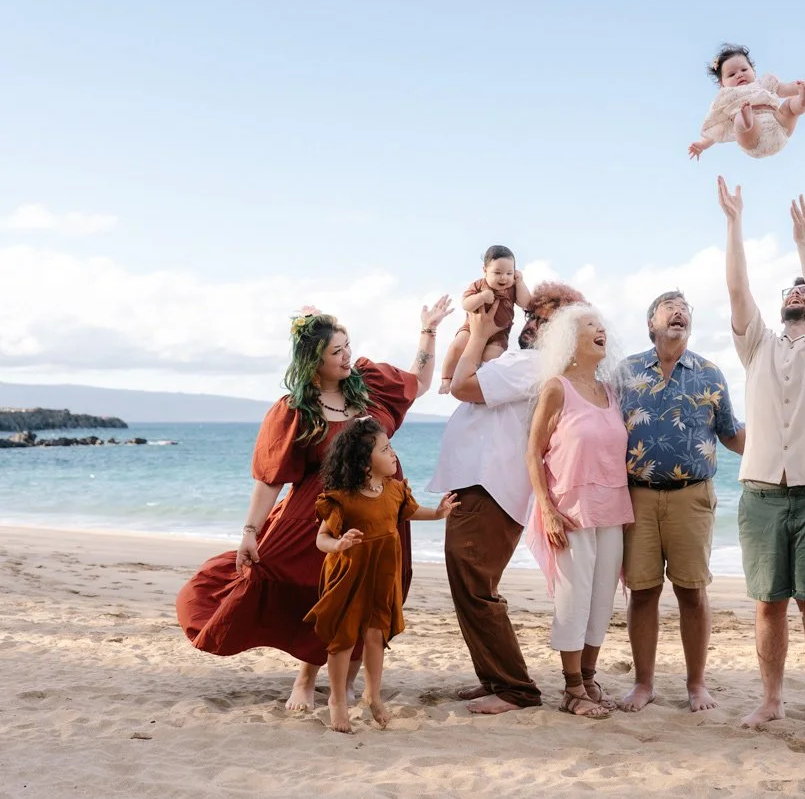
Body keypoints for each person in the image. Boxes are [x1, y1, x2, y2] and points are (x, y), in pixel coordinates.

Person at [176, 299, 452, 711]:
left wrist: (428, 330)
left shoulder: (370, 385)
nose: (346, 357)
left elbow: (420, 381)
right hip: (321, 514)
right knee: (317, 593)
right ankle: (305, 680)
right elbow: (270, 479)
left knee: (372, 592)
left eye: (347, 347)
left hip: (381, 512)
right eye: (335, 353)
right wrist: (250, 532)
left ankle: (348, 678)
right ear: (313, 361)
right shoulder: (295, 411)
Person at [718, 176, 805, 737]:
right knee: (768, 603)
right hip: (762, 495)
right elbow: (736, 293)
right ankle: (772, 699)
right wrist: (734, 222)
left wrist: (804, 242)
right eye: (790, 291)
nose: (798, 294)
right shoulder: (758, 347)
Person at [427, 281, 586, 715]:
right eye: (531, 316)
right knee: (473, 586)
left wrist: (477, 335)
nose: (532, 324)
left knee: (475, 588)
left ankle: (516, 688)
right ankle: (495, 677)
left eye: (543, 321)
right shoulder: (530, 361)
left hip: (489, 488)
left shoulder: (531, 363)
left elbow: (462, 387)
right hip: (484, 485)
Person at [616, 290, 745, 713]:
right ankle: (644, 683)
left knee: (692, 593)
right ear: (651, 322)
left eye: (685, 310)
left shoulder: (709, 373)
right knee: (643, 592)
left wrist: (778, 453)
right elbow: (605, 431)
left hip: (692, 497)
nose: (679, 313)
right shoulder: (627, 372)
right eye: (669, 308)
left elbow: (730, 433)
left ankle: (696, 684)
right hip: (637, 497)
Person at [305, 417, 459, 733]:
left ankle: (372, 694)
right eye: (385, 449)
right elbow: (322, 538)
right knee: (343, 639)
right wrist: (338, 543)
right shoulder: (343, 499)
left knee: (376, 636)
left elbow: (410, 513)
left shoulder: (395, 491)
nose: (394, 455)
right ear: (364, 464)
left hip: (383, 574)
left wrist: (439, 513)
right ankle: (337, 700)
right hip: (349, 576)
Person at [524, 303, 633, 719]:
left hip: (612, 507)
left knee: (602, 600)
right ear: (571, 338)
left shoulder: (611, 392)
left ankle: (588, 678)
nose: (600, 330)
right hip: (569, 508)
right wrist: (547, 510)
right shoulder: (557, 388)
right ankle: (571, 689)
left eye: (602, 325)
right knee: (573, 599)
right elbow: (533, 454)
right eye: (591, 325)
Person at [688, 43, 805, 160]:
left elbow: (787, 88)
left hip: (778, 125)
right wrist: (702, 145)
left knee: (789, 107)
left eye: (744, 69)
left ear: (753, 71)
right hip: (753, 139)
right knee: (739, 121)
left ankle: (802, 101)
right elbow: (719, 128)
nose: (739, 74)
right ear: (722, 84)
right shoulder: (727, 96)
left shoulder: (764, 83)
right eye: (732, 74)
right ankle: (747, 121)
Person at [439, 245, 533, 393]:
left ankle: (478, 386)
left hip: (499, 334)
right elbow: (466, 304)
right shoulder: (478, 285)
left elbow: (525, 303)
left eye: (509, 273)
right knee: (457, 346)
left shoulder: (514, 287)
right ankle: (446, 379)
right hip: (471, 328)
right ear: (484, 271)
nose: (504, 277)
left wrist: (520, 282)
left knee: (491, 359)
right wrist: (481, 297)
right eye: (497, 272)